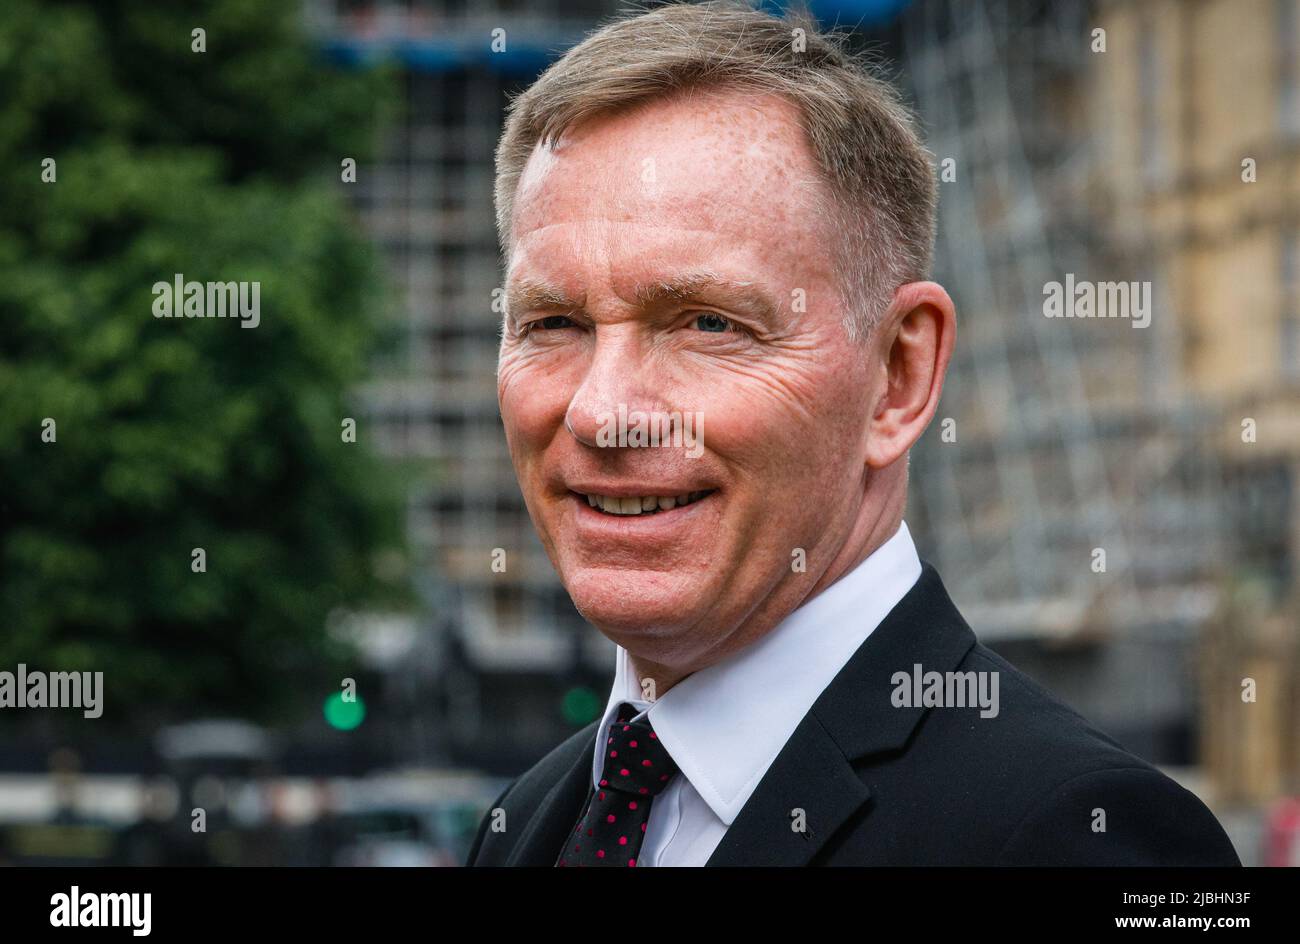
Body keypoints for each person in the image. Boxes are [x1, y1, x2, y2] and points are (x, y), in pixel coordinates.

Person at [467, 1, 1240, 866]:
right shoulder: (526, 826)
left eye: (708, 325)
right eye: (553, 324)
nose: (601, 412)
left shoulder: (1076, 835)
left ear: (898, 378)